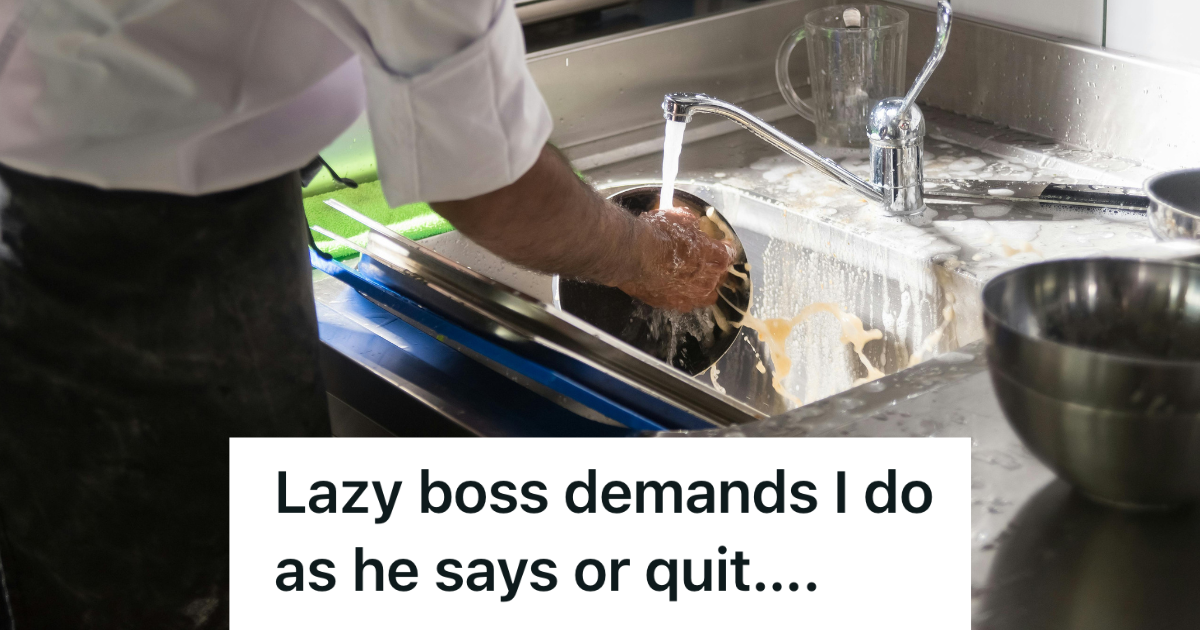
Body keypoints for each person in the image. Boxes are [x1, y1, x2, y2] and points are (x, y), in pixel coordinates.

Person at [0, 1, 733, 627]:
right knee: (190, 586)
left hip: (109, 185)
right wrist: (638, 254)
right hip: (124, 252)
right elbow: (489, 185)